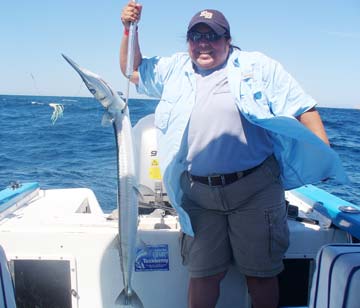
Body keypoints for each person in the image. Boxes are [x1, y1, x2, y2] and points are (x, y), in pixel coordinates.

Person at [120, 3, 348, 308]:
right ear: (188, 42)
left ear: (228, 40)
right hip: (198, 194)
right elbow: (131, 70)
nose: (203, 43)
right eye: (195, 36)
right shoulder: (174, 68)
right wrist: (128, 30)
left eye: (212, 36)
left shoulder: (258, 66)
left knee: (261, 276)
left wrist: (323, 151)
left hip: (254, 190)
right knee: (202, 275)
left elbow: (302, 106)